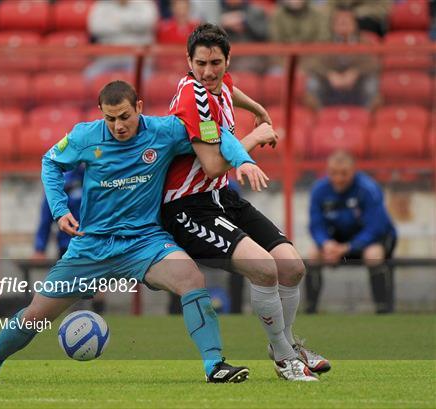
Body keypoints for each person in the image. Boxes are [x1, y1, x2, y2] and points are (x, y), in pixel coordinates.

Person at [0, 80, 265, 383]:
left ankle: (214, 365)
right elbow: (50, 163)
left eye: (124, 116)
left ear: (139, 107)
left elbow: (217, 134)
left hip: (144, 242)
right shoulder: (86, 136)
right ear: (101, 114)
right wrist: (60, 209)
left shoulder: (164, 131)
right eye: (110, 119)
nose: (118, 125)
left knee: (190, 279)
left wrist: (244, 160)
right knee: (35, 315)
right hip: (91, 246)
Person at [161, 23, 330, 381]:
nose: (209, 72)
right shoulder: (193, 99)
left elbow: (230, 90)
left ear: (227, 60)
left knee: (292, 265)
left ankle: (282, 342)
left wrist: (258, 108)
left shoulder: (218, 84)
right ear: (188, 61)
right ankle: (286, 359)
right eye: (201, 64)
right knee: (264, 268)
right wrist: (255, 137)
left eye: (216, 63)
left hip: (222, 198)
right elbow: (211, 165)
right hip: (189, 207)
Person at [305, 150, 397, 314]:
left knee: (373, 255)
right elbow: (316, 224)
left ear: (353, 171)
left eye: (344, 173)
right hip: (337, 241)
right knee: (313, 254)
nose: (338, 178)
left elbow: (375, 227)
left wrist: (349, 247)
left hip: (369, 242)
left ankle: (383, 310)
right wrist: (326, 244)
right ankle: (310, 310)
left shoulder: (368, 189)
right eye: (333, 173)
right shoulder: (319, 190)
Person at [32, 166, 106, 314]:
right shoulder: (62, 181)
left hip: (96, 244)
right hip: (68, 246)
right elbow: (47, 215)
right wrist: (40, 248)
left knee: (97, 289)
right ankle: (75, 322)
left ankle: (96, 319)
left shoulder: (100, 177)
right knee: (71, 290)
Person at [304, 6, 379, 110]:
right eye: (339, 21)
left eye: (347, 21)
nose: (343, 23)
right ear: (332, 25)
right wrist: (329, 74)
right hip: (330, 85)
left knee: (371, 84)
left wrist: (355, 72)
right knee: (313, 83)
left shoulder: (364, 42)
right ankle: (319, 119)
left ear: (355, 24)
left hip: (356, 86)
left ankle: (367, 118)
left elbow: (374, 63)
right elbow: (312, 63)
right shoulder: (325, 42)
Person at [85, 0, 158, 78]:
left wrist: (115, 21)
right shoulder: (102, 4)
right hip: (108, 57)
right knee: (89, 76)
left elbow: (146, 23)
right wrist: (132, 24)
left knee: (147, 80)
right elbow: (95, 27)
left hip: (137, 59)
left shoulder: (145, 3)